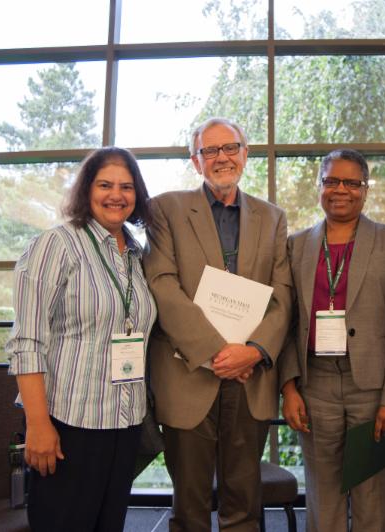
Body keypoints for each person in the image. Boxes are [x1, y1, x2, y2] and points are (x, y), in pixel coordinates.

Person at [143, 117, 292, 532]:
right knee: (189, 505)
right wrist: (216, 352)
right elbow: (162, 284)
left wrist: (254, 351)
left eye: (230, 148)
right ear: (196, 161)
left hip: (250, 378)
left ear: (246, 154)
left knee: (244, 503)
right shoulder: (165, 209)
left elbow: (283, 293)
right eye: (210, 151)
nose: (222, 157)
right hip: (187, 372)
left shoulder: (273, 217)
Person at [6, 147, 157, 531]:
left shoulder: (136, 255)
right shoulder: (57, 245)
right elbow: (26, 343)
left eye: (126, 186)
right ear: (86, 190)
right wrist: (38, 424)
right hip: (70, 424)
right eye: (104, 184)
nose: (116, 195)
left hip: (125, 423)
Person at [280, 149, 385, 532]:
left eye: (352, 182)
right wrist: (289, 388)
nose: (341, 190)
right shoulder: (297, 245)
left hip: (371, 387)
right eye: (332, 181)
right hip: (315, 385)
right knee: (323, 494)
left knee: (373, 493)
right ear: (320, 186)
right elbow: (287, 322)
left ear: (365, 189)